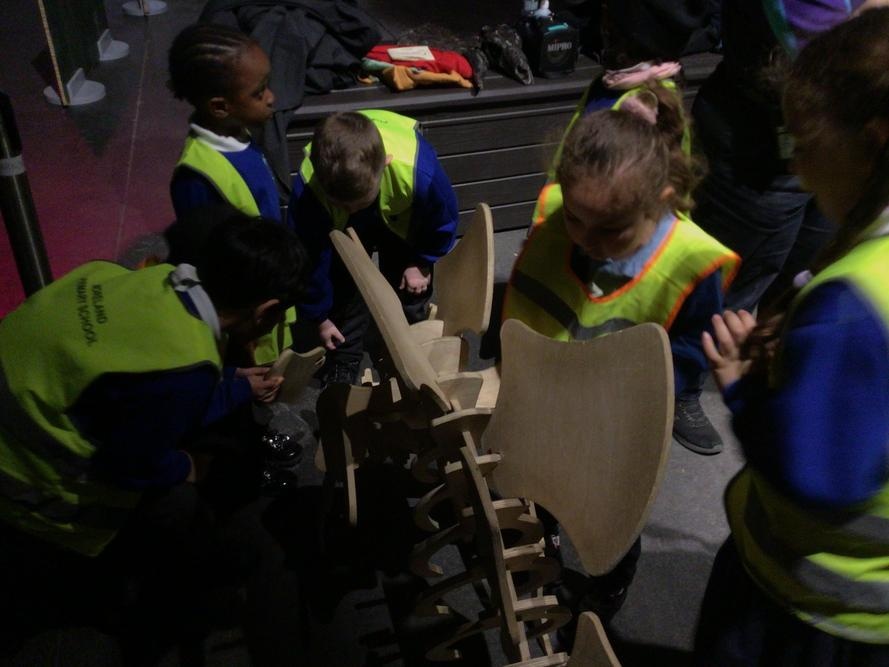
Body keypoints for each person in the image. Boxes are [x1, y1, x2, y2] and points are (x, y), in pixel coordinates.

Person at [0, 216, 307, 663]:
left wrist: (235, 384)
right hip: (22, 481)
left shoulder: (139, 279)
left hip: (21, 404)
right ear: (266, 311)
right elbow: (129, 466)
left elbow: (137, 379)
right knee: (178, 502)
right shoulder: (186, 364)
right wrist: (189, 467)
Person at [695, 8, 889, 665]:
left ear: (873, 140)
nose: (796, 166)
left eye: (804, 142)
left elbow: (817, 473)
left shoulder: (851, 305)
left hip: (810, 607)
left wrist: (743, 389)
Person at [502, 106, 738, 640]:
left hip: (618, 424)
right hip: (548, 398)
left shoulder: (689, 263)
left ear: (661, 200)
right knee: (539, 485)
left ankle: (605, 588)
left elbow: (687, 354)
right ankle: (542, 544)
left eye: (611, 230)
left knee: (611, 519)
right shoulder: (565, 215)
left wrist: (645, 399)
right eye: (575, 220)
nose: (586, 239)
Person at [288, 109, 459, 385]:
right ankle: (345, 357)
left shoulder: (418, 172)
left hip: (400, 212)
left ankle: (412, 348)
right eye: (344, 205)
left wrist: (421, 262)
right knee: (344, 283)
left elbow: (442, 221)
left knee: (409, 286)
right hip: (341, 219)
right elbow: (309, 258)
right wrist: (320, 317)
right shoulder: (310, 188)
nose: (352, 209)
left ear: (386, 163)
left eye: (358, 203)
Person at [168, 23, 295, 365]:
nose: (271, 97)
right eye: (259, 92)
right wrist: (241, 336)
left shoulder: (239, 134)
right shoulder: (196, 176)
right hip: (244, 323)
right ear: (220, 106)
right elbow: (207, 266)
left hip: (267, 290)